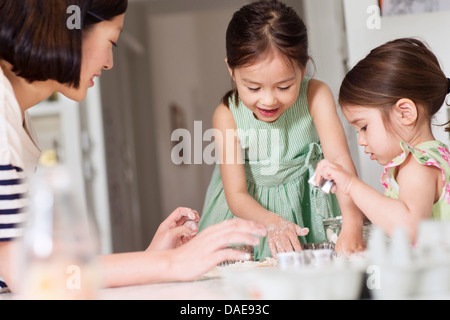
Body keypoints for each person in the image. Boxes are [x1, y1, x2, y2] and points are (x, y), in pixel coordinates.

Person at [0, 0, 266, 293]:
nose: (109, 62)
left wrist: (153, 258)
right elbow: (24, 271)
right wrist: (173, 264)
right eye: (111, 42)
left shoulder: (17, 117)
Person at [198, 0, 365, 260]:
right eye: (253, 88)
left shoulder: (316, 95)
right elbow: (236, 195)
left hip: (309, 206)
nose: (268, 100)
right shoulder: (227, 114)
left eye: (284, 87)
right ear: (231, 70)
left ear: (304, 68)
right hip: (252, 216)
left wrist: (352, 223)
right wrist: (273, 222)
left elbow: (339, 162)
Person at [315, 38, 450, 242]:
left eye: (364, 127)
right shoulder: (434, 155)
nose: (361, 140)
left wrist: (351, 184)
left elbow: (408, 229)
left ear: (405, 113)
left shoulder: (418, 165)